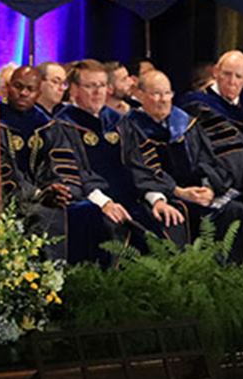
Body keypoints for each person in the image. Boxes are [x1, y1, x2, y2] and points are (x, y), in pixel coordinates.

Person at [39, 60, 175, 263]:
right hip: (95, 201)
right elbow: (72, 174)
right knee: (108, 227)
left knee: (170, 218)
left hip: (133, 200)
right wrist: (104, 202)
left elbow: (139, 164)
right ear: (74, 90)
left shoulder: (119, 122)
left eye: (101, 85)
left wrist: (156, 198)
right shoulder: (61, 126)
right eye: (90, 86)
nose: (97, 92)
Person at [120, 70, 243, 262]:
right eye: (156, 93)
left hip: (196, 194)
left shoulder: (185, 123)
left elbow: (207, 161)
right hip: (162, 196)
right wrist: (178, 192)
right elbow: (139, 169)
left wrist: (208, 188)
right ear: (140, 95)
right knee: (173, 218)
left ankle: (238, 279)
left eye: (167, 93)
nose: (163, 100)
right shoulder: (130, 127)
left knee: (236, 210)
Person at [0, 66, 75, 260]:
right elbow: (0, 168)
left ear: (38, 93)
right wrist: (37, 194)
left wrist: (56, 188)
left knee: (75, 211)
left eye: (30, 89)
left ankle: (59, 281)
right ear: (7, 88)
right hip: (5, 198)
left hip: (43, 196)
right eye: (18, 86)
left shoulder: (47, 125)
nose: (23, 93)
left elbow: (59, 165)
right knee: (42, 214)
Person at [181, 50, 243, 167]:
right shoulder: (197, 106)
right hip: (219, 175)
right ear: (216, 72)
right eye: (227, 74)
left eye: (238, 76)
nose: (232, 82)